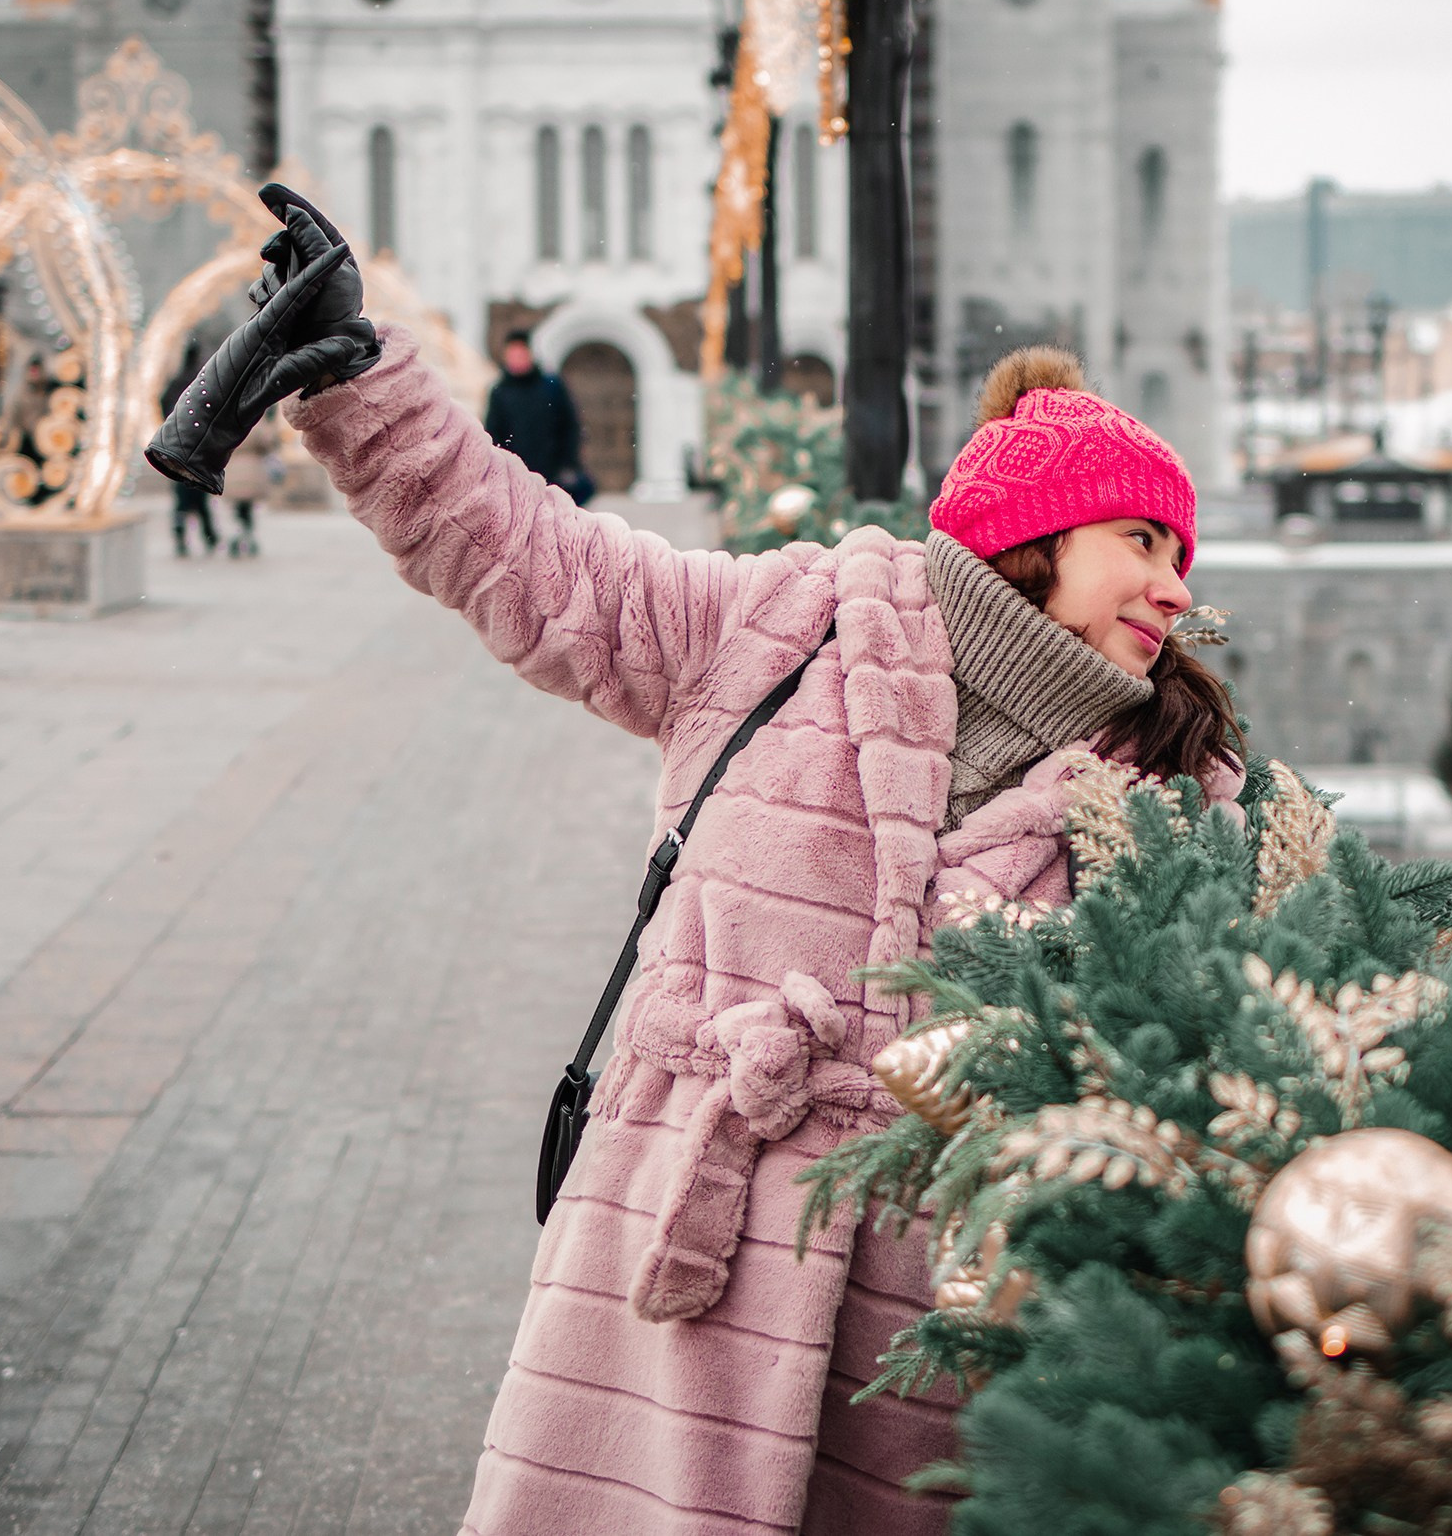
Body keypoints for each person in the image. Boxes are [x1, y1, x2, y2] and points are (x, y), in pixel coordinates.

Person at [182, 188, 1242, 1536]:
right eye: (1141, 541)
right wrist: (363, 376)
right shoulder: (787, 623)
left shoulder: (1178, 796)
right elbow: (536, 559)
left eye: (1181, 557)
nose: (1172, 588)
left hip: (938, 1356)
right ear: (1034, 538)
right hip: (681, 1272)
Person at [482, 329, 595, 505]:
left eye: (520, 354)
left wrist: (568, 463)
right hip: (515, 474)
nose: (516, 359)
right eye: (512, 354)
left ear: (529, 354)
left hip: (552, 472)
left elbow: (569, 426)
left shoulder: (551, 386)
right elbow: (493, 433)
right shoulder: (500, 392)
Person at [157, 338, 219, 557]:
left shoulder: (177, 381)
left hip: (178, 446)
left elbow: (163, 401)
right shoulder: (201, 382)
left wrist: (170, 424)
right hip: (200, 445)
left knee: (182, 497)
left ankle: (182, 534)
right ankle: (209, 535)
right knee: (199, 495)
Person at [218, 411, 279, 556]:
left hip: (232, 469)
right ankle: (246, 534)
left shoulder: (228, 418)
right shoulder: (257, 417)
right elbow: (267, 442)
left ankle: (239, 533)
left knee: (238, 506)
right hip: (253, 468)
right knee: (247, 507)